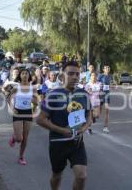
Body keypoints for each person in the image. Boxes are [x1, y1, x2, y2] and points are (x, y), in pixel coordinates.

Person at [36, 61, 92, 190]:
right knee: (57, 175)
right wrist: (61, 130)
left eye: (77, 74)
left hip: (76, 143)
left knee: (81, 176)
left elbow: (89, 116)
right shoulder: (53, 95)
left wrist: (83, 129)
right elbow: (40, 119)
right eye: (70, 74)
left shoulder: (84, 94)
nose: (74, 77)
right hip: (58, 143)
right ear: (62, 76)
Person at [8, 68, 38, 165]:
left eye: (26, 73)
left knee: (25, 138)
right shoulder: (16, 88)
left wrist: (35, 106)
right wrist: (12, 108)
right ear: (20, 76)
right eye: (23, 73)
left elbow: (36, 100)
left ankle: (21, 157)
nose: (25, 75)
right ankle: (14, 137)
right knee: (19, 139)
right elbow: (9, 98)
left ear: (29, 76)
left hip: (28, 112)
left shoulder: (32, 88)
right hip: (18, 112)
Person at [98, 65, 113, 133]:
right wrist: (101, 85)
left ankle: (105, 127)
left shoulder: (110, 76)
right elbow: (97, 83)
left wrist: (112, 86)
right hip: (101, 95)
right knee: (99, 112)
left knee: (107, 111)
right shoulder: (101, 76)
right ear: (103, 69)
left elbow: (112, 84)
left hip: (107, 95)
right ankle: (93, 118)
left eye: (108, 68)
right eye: (106, 68)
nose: (107, 69)